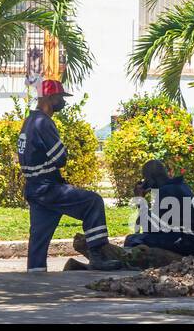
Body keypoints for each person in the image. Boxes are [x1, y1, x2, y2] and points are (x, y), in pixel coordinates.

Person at [19, 79, 119, 271]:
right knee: (93, 202)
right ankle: (97, 255)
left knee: (39, 238)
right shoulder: (43, 122)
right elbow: (60, 158)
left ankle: (35, 272)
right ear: (49, 98)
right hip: (48, 186)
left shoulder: (30, 121)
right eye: (60, 97)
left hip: (34, 188)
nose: (63, 101)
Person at [70, 159, 194, 270]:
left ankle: (125, 264)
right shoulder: (178, 186)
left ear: (150, 180)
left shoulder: (166, 192)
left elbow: (150, 227)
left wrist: (140, 200)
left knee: (133, 240)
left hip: (192, 241)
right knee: (135, 239)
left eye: (145, 179)